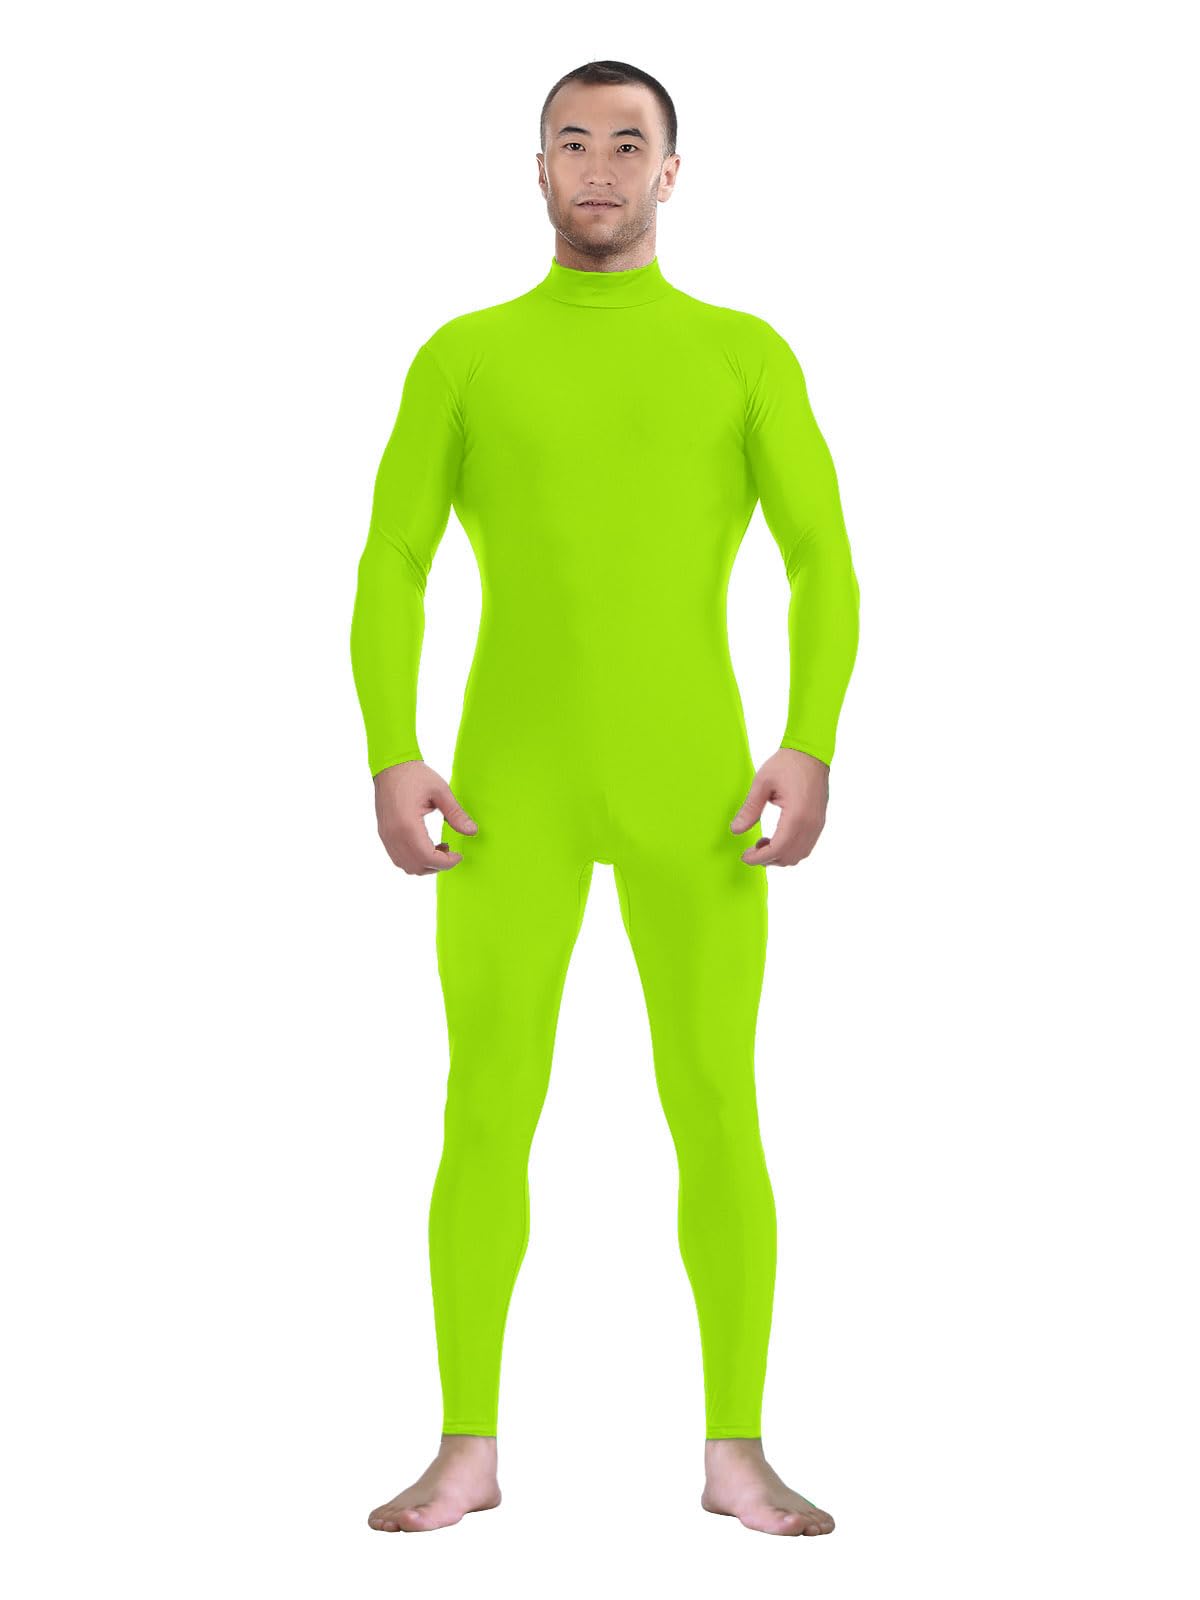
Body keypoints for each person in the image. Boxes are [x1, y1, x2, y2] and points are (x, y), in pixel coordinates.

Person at [351, 59, 859, 1538]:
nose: (598, 166)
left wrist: (809, 738)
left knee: (716, 1105)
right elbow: (392, 561)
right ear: (537, 169)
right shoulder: (465, 357)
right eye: (571, 141)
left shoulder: (742, 354)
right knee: (485, 1109)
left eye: (628, 144)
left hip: (696, 788)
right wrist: (391, 746)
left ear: (670, 173)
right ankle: (465, 1449)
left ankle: (736, 1452)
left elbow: (823, 560)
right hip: (508, 790)